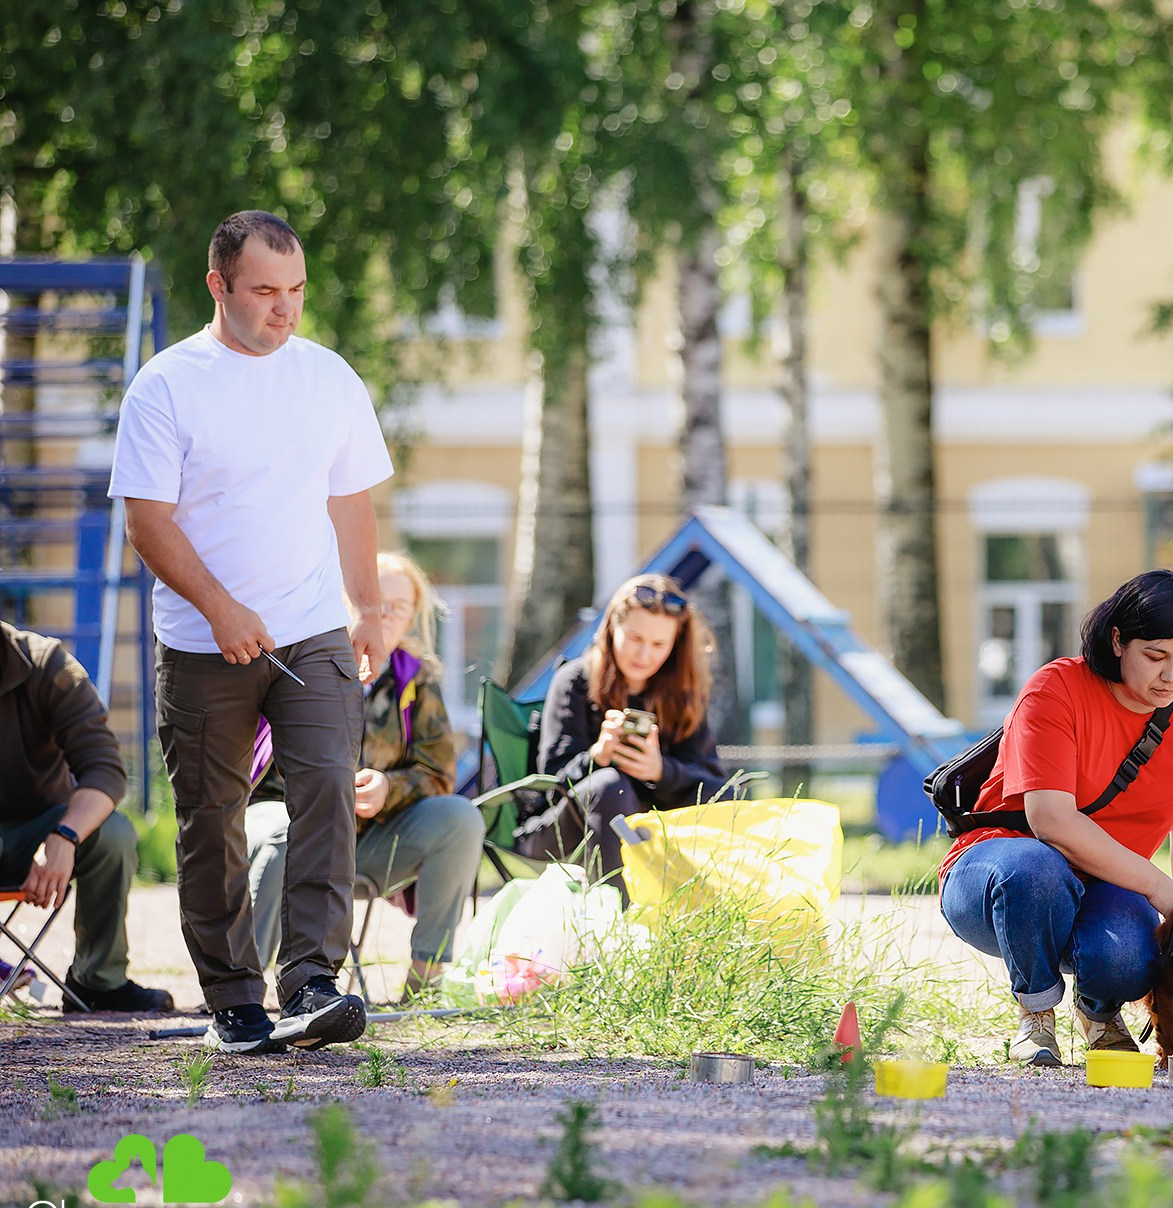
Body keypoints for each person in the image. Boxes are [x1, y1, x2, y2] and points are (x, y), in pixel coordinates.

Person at [111, 210, 389, 1054]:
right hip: (203, 643)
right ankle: (233, 1002)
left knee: (326, 793)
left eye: (296, 289)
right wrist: (220, 608)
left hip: (311, 629)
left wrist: (368, 605)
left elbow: (350, 499)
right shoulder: (166, 385)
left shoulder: (329, 377)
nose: (285, 308)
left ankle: (311, 983)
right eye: (265, 290)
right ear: (218, 285)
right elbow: (147, 522)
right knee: (212, 820)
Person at [938, 569, 1173, 1066]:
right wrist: (1162, 891)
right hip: (998, 875)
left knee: (1134, 955)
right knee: (1036, 868)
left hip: (1105, 889)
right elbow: (1051, 821)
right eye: (1155, 656)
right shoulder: (1056, 689)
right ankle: (1036, 1014)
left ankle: (1099, 1012)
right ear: (1117, 641)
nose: (1172, 676)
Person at [246, 553, 482, 1001]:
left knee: (460, 817)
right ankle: (243, 991)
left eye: (399, 607)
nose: (385, 615)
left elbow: (438, 774)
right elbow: (255, 765)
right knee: (281, 830)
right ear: (347, 600)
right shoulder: (298, 660)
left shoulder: (414, 679)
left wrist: (389, 789)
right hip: (285, 824)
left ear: (412, 618)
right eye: (375, 601)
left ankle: (426, 980)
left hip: (366, 842)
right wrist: (323, 791)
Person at [518, 574, 732, 894]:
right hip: (560, 829)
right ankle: (617, 916)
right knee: (609, 785)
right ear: (611, 630)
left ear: (675, 646)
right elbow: (550, 782)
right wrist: (597, 756)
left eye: (658, 645)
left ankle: (709, 907)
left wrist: (660, 771)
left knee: (729, 795)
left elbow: (712, 781)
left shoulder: (682, 693)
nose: (644, 654)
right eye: (634, 638)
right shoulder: (575, 681)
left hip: (647, 826)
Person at [0, 620, 174, 1012]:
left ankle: (99, 981)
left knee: (112, 833)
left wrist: (65, 835)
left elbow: (104, 768)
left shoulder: (46, 664)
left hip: (37, 831)